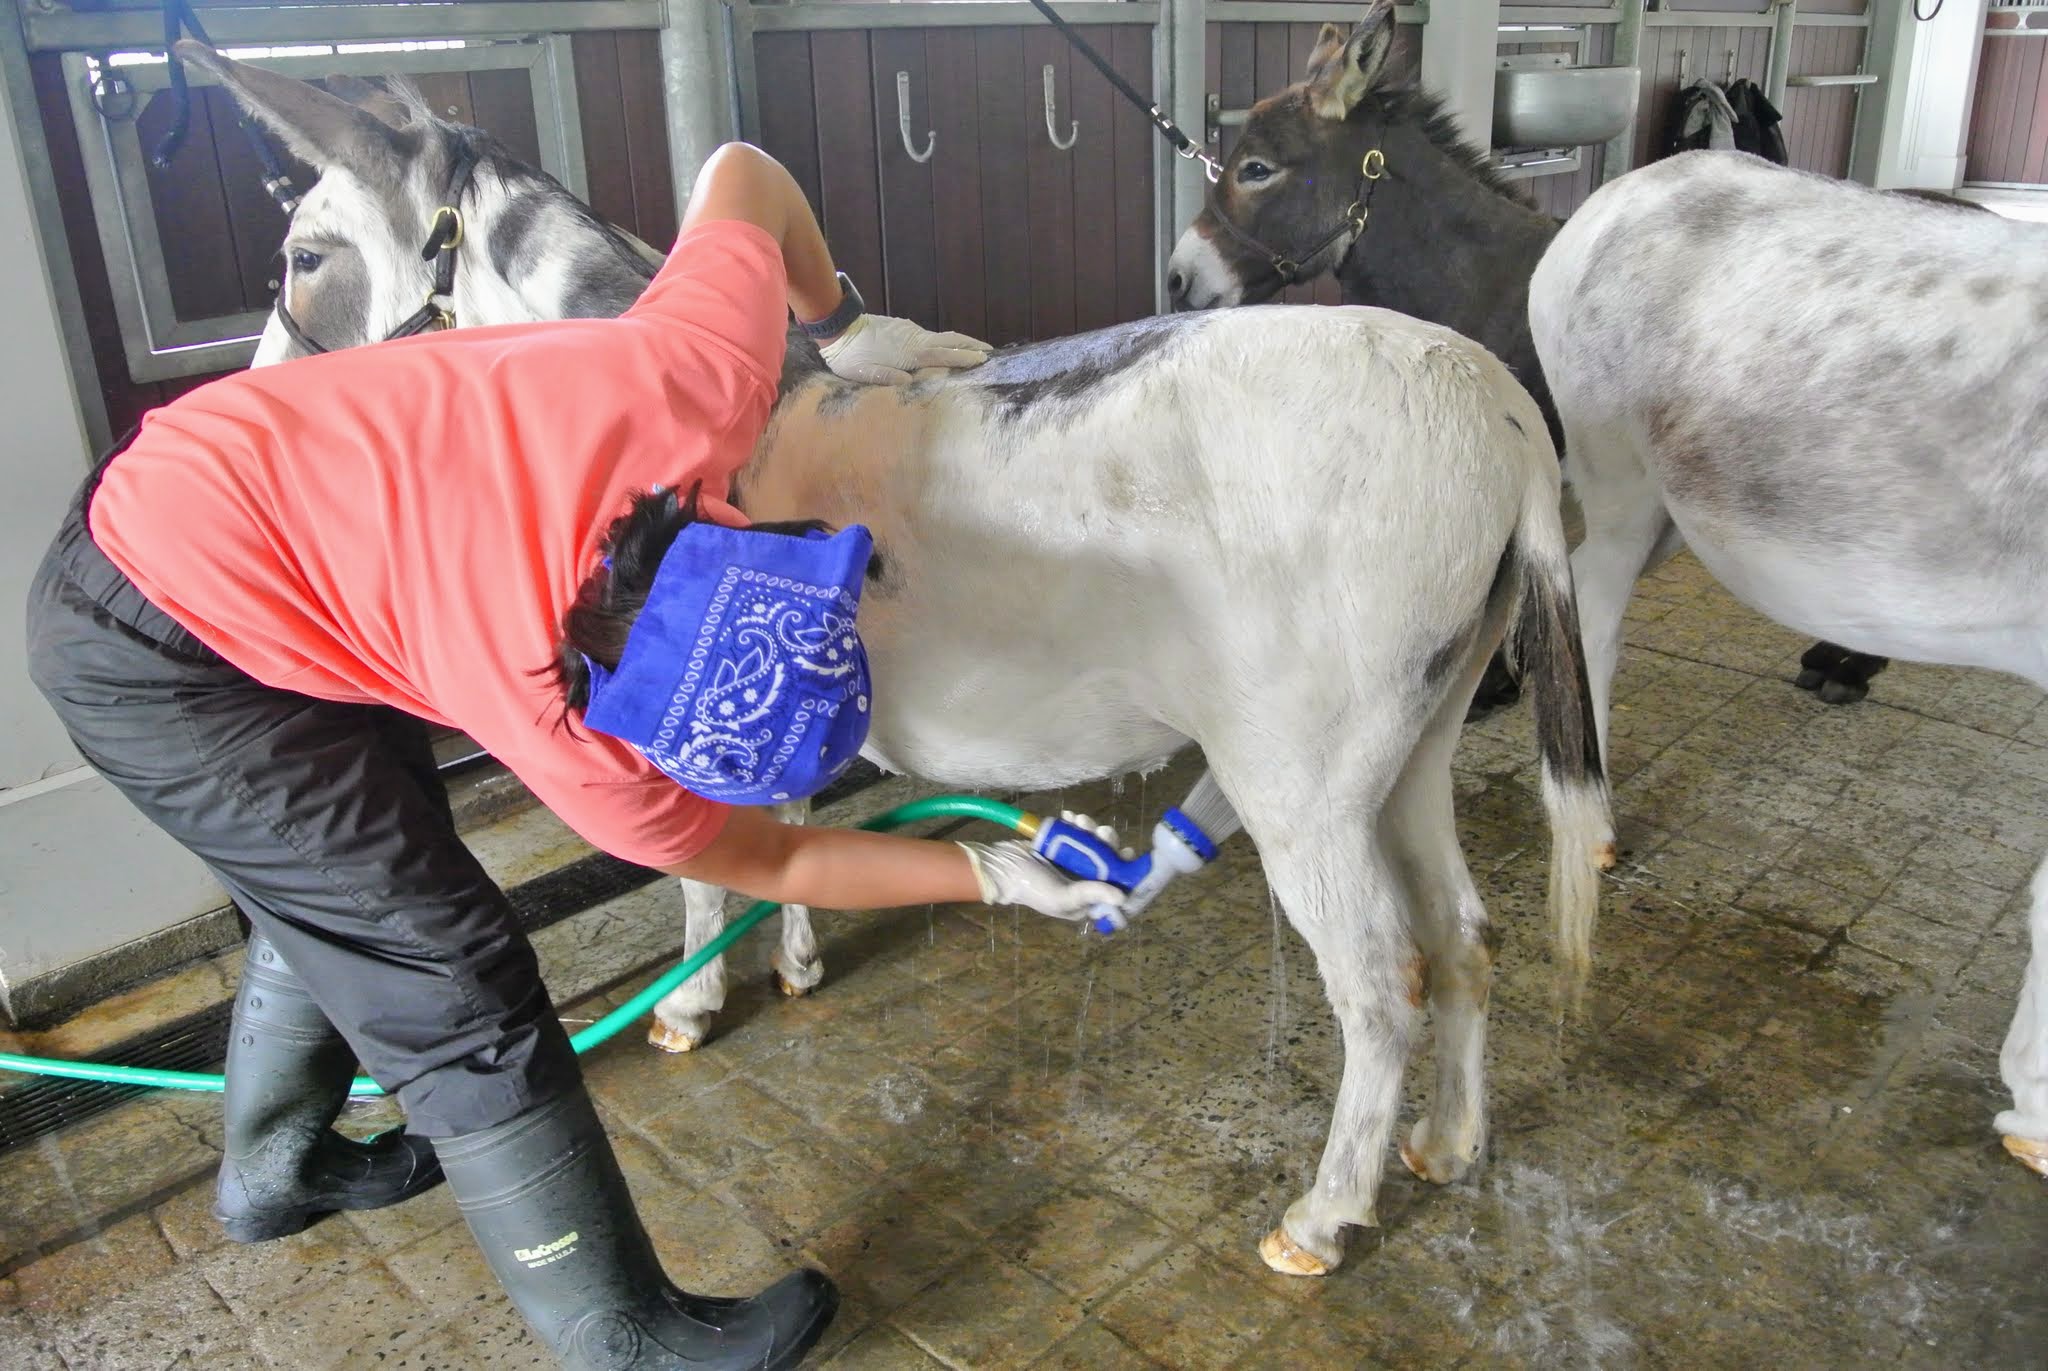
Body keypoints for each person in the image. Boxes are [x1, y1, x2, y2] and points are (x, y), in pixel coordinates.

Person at [24, 142, 1126, 1371]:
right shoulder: (548, 716)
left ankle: (273, 1170)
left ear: (740, 524)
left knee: (341, 876)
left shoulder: (689, 381)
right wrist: (975, 871)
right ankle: (624, 1338)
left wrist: (840, 321)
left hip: (265, 522)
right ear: (609, 718)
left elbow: (746, 175)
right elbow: (775, 859)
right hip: (154, 643)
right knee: (441, 963)